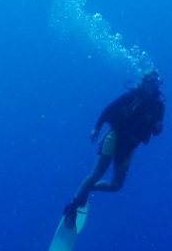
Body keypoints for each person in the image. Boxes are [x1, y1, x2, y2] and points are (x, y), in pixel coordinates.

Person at [62, 70, 165, 227]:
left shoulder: (158, 106)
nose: (152, 86)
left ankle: (86, 187)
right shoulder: (133, 97)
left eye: (155, 83)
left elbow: (156, 130)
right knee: (97, 173)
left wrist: (157, 128)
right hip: (115, 137)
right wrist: (96, 128)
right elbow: (109, 109)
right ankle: (72, 209)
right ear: (144, 83)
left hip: (129, 146)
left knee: (116, 186)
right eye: (150, 82)